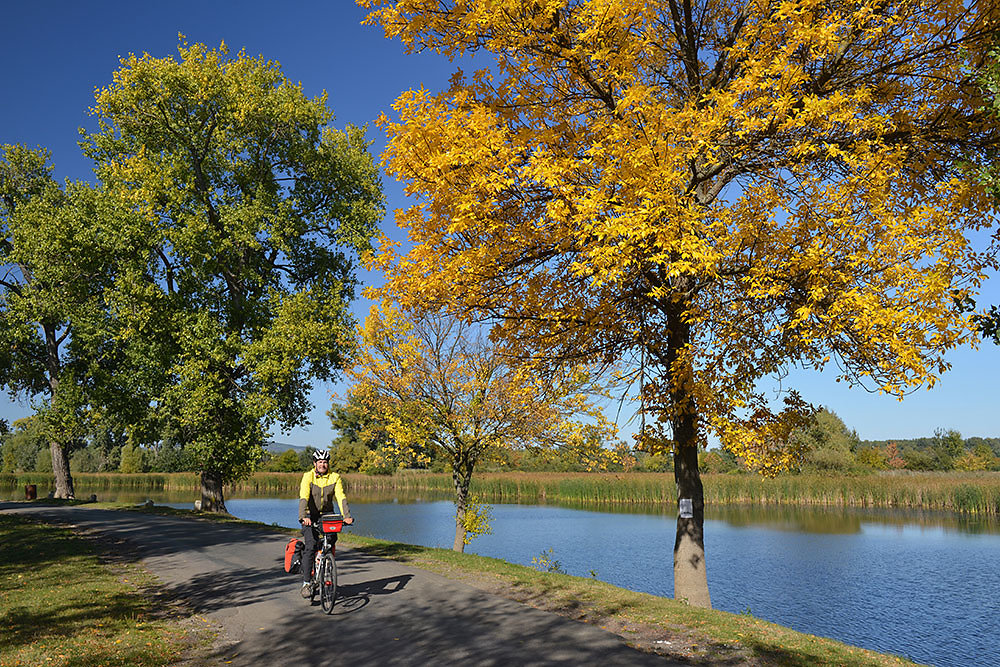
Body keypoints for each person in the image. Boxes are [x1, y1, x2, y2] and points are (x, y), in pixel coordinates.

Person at [298, 449, 353, 598]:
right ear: (315, 464)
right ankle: (307, 583)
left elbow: (341, 497)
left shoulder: (335, 477)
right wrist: (303, 516)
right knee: (310, 544)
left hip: (327, 515)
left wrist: (346, 516)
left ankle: (325, 564)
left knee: (332, 539)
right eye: (320, 462)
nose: (323, 465)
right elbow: (304, 496)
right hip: (310, 514)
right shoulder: (308, 477)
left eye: (325, 462)